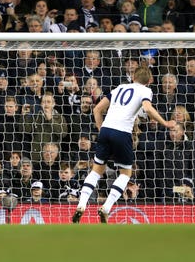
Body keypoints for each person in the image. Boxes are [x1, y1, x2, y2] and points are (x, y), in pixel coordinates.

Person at [72, 66, 175, 224]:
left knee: (96, 171)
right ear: (149, 81)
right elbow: (147, 108)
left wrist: (101, 130)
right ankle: (106, 208)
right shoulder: (146, 91)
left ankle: (81, 204)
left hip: (106, 130)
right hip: (122, 133)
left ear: (133, 77)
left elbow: (97, 109)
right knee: (125, 173)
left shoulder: (120, 87)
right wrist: (165, 123)